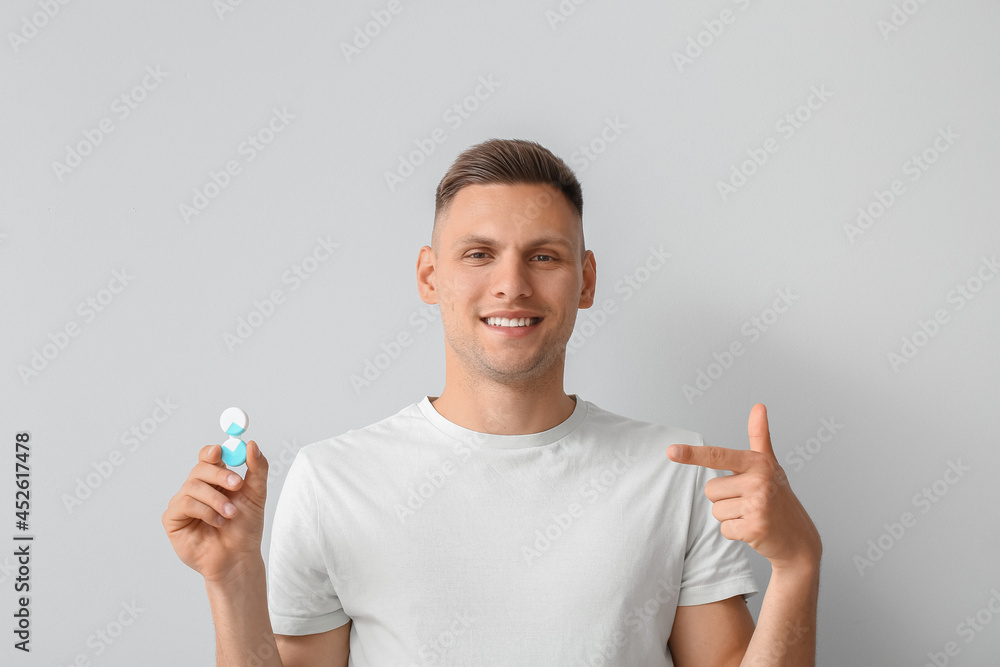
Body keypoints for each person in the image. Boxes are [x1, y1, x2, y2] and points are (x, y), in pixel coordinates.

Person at [163, 138, 822, 666]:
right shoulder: (332, 478)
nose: (511, 284)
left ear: (585, 279)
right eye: (479, 254)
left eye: (544, 256)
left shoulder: (677, 472)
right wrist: (232, 579)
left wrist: (796, 564)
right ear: (430, 275)